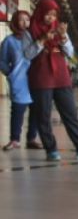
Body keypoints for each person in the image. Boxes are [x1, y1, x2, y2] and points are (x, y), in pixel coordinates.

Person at [24, 0, 78, 160]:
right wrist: (42, 40)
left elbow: (70, 53)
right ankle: (51, 150)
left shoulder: (58, 30)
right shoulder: (29, 32)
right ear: (40, 13)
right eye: (47, 14)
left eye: (53, 15)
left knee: (70, 113)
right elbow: (27, 54)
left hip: (61, 76)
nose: (50, 18)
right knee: (43, 116)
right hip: (41, 77)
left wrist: (64, 36)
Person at [1, 10, 38, 150]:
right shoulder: (9, 41)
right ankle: (15, 139)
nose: (25, 23)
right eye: (21, 20)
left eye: (27, 20)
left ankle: (32, 139)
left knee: (35, 109)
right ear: (15, 22)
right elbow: (2, 61)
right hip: (18, 81)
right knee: (17, 110)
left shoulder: (34, 39)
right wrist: (10, 73)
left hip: (35, 78)